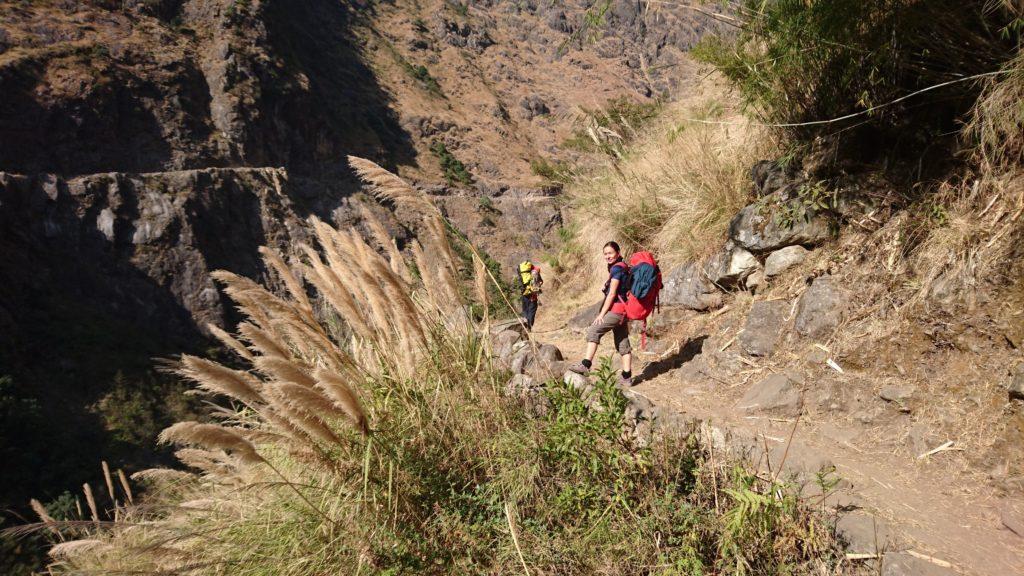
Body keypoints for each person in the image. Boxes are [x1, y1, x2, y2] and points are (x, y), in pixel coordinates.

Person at [568, 241, 633, 386]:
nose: (607, 256)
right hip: (624, 311)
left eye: (610, 253)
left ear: (618, 252)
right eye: (605, 254)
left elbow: (611, 294)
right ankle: (627, 377)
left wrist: (601, 315)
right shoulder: (624, 266)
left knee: (593, 330)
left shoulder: (617, 270)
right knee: (623, 342)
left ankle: (586, 364)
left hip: (616, 310)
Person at [518, 260, 543, 330]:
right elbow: (541, 281)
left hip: (524, 294)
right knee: (532, 311)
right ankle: (529, 328)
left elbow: (520, 282)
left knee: (525, 311)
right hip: (533, 296)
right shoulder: (535, 272)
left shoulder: (522, 273)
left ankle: (524, 327)